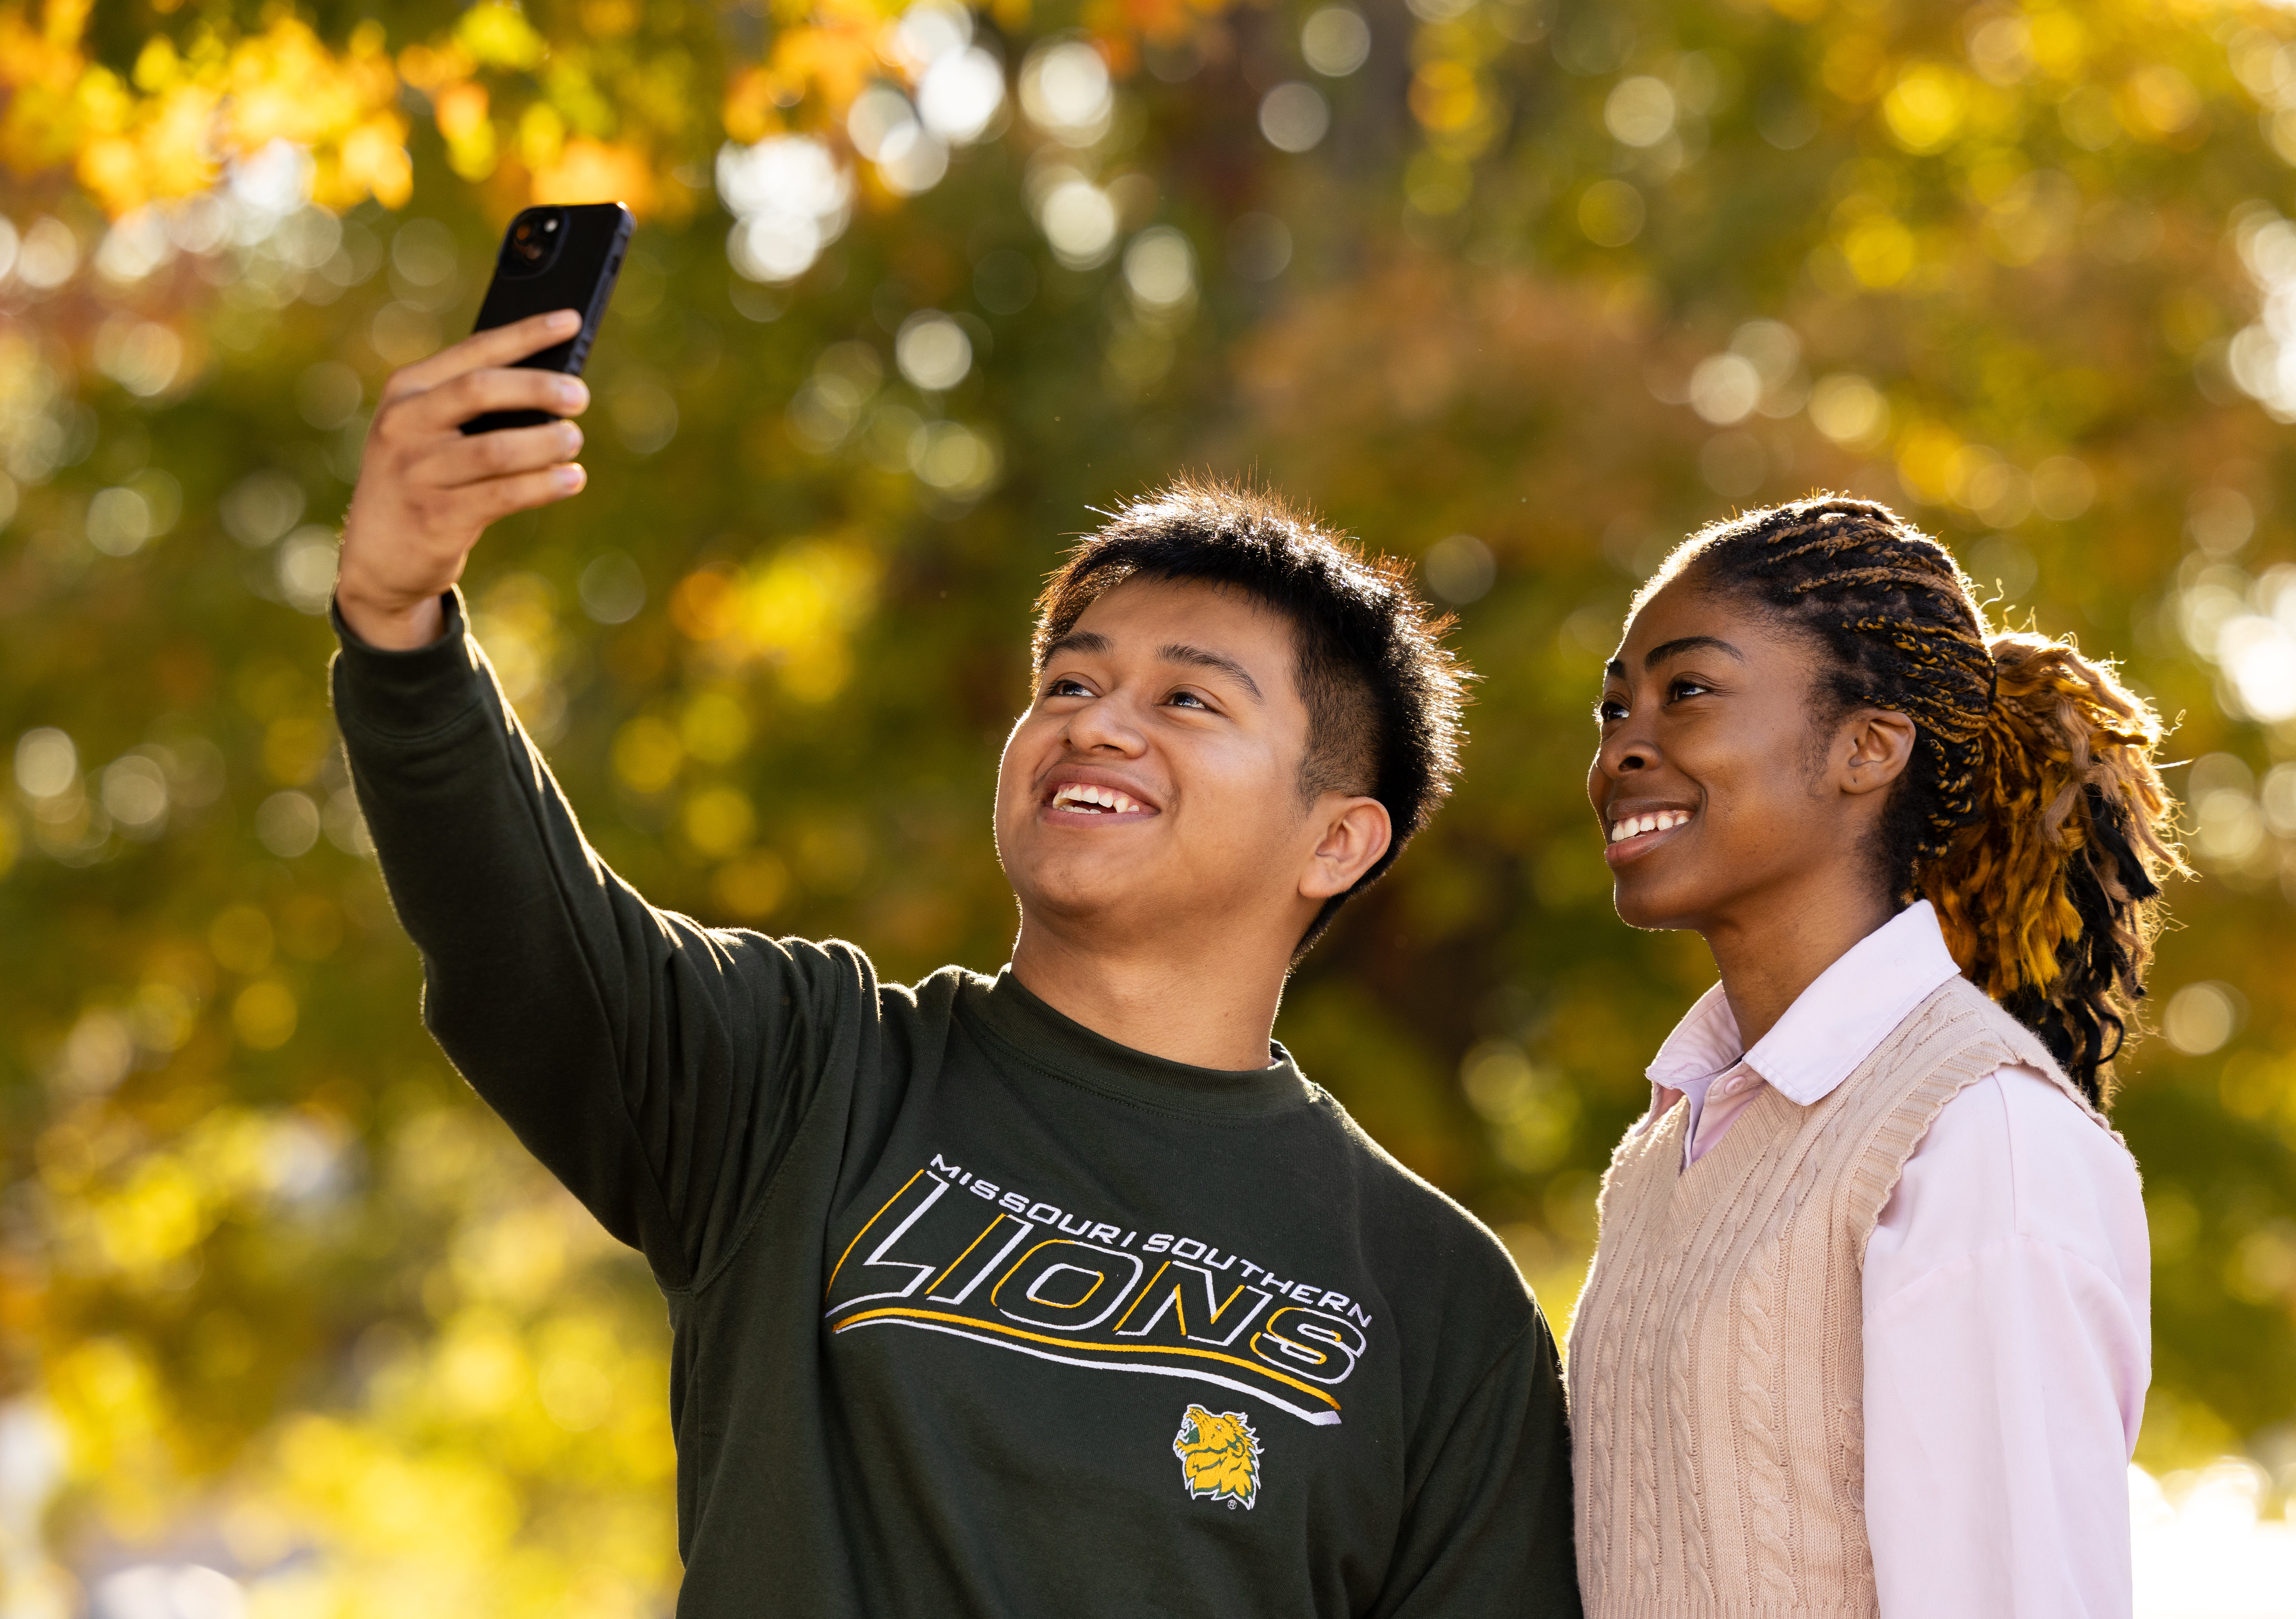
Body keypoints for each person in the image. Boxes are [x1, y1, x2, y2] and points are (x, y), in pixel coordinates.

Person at [325, 311, 1583, 1618]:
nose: (1098, 724)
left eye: (1188, 700)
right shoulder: (806, 1073)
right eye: (1071, 685)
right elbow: (520, 930)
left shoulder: (1437, 1300)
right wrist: (399, 620)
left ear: (1337, 837)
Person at [1566, 495, 2181, 1618]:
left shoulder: (1977, 1135)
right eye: (1613, 707)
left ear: (1867, 747)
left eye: (1686, 690)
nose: (1622, 749)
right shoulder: (1670, 1142)